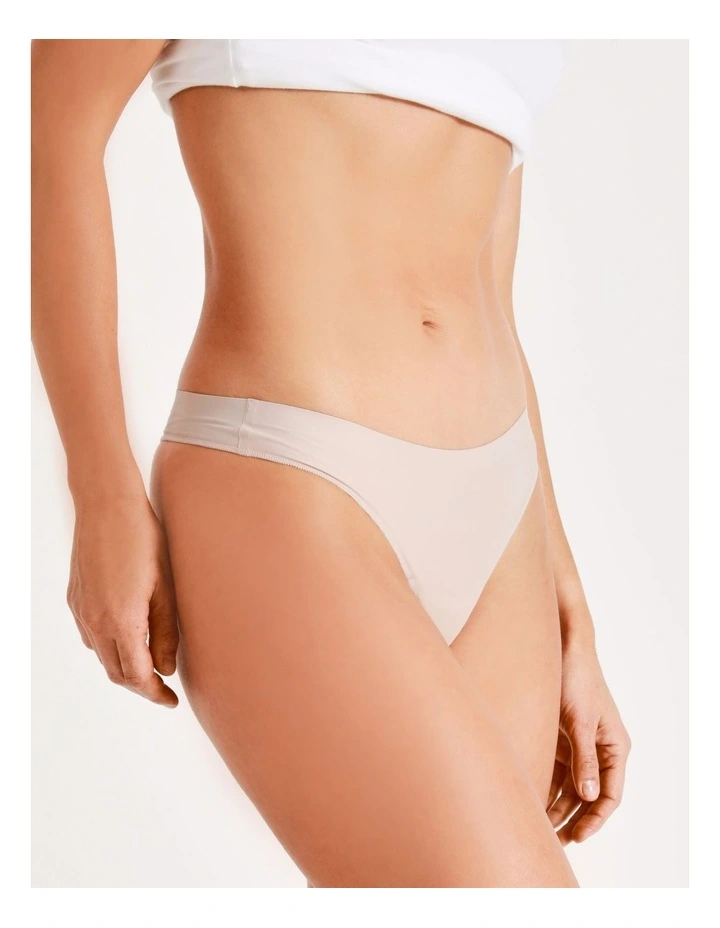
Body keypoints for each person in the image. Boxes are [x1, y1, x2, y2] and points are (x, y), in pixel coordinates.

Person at [31, 39, 631, 888]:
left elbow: (488, 287)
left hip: (504, 516)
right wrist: (99, 492)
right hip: (292, 472)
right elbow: (44, 133)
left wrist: (569, 600)